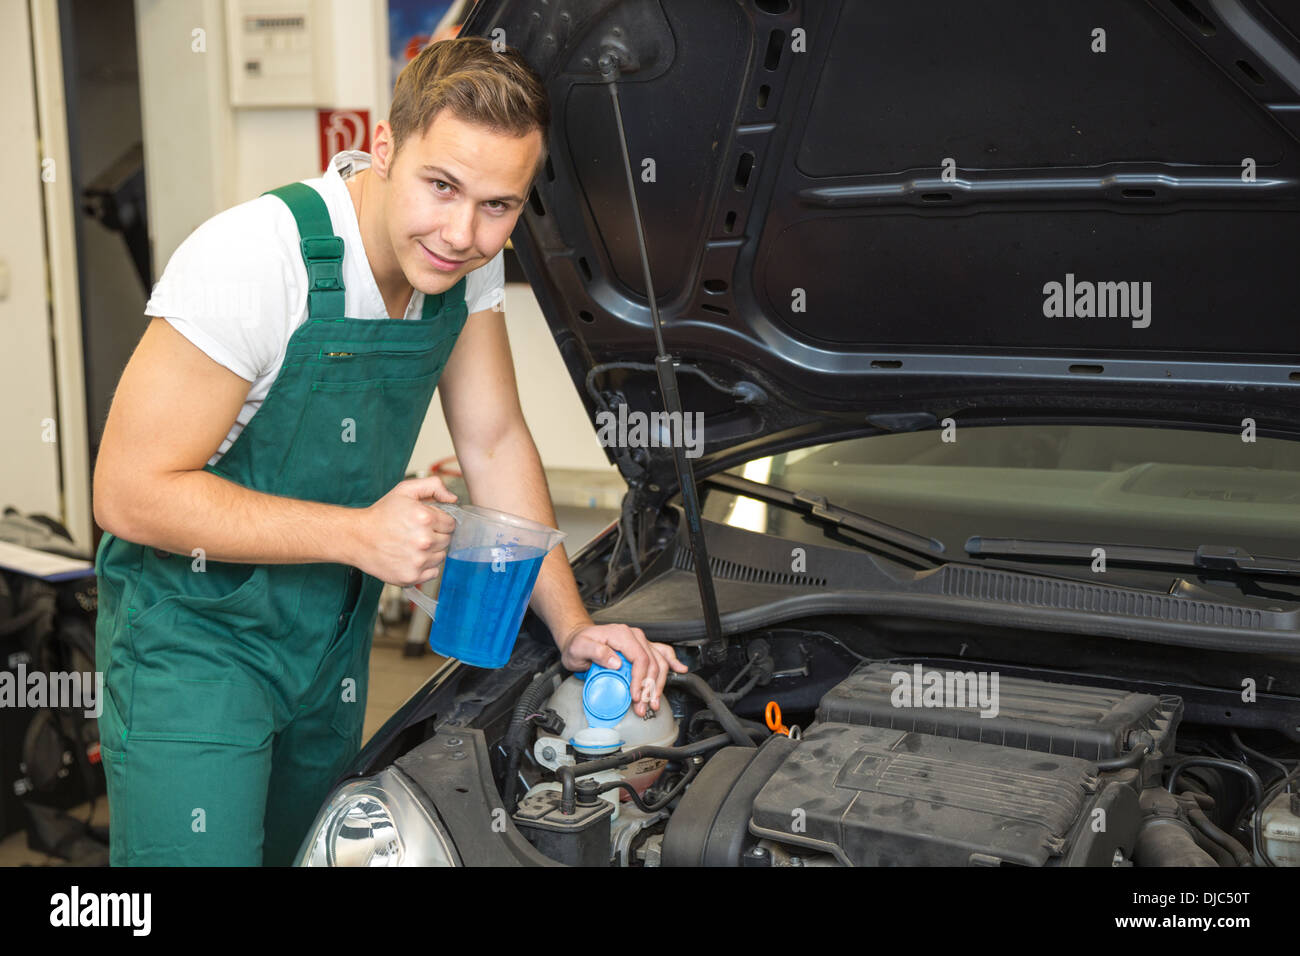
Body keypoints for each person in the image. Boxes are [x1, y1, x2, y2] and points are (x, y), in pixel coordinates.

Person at [92, 36, 685, 867]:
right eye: (440, 186)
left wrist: (573, 622)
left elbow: (494, 438)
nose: (461, 233)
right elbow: (127, 492)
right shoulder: (255, 261)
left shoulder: (464, 264)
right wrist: (355, 537)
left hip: (330, 641)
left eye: (498, 206)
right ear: (383, 148)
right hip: (194, 647)